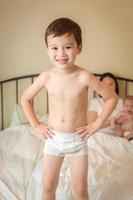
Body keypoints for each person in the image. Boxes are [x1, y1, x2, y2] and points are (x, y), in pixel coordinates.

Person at [21, 18, 118, 200]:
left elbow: (112, 97)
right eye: (55, 47)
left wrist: (97, 123)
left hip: (77, 140)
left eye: (68, 46)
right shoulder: (46, 76)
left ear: (79, 48)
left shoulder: (84, 76)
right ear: (47, 50)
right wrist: (36, 125)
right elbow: (25, 99)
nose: (61, 53)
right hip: (53, 139)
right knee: (49, 185)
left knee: (80, 189)